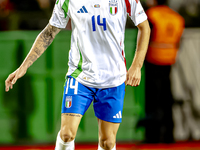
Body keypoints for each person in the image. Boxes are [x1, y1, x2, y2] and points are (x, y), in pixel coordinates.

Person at [5, 0, 150, 149]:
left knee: (107, 142)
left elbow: (144, 27)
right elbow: (49, 32)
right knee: (67, 133)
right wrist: (24, 66)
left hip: (113, 78)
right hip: (80, 76)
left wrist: (137, 66)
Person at [142, 0, 184, 143]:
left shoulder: (151, 14)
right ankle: (168, 135)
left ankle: (154, 135)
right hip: (169, 61)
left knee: (154, 99)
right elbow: (179, 40)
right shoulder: (176, 17)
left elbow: (144, 37)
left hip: (153, 60)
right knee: (167, 97)